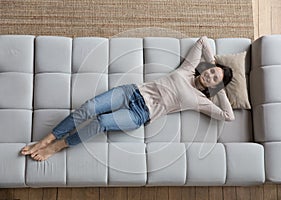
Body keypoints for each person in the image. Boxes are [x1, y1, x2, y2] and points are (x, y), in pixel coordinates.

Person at [21, 36, 235, 161]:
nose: (210, 75)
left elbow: (227, 115)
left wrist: (219, 89)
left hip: (140, 114)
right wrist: (214, 63)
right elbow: (203, 40)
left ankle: (59, 146)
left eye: (214, 77)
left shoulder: (201, 101)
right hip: (130, 92)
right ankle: (49, 138)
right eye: (211, 71)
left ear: (216, 85)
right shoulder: (189, 69)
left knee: (102, 122)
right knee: (89, 107)